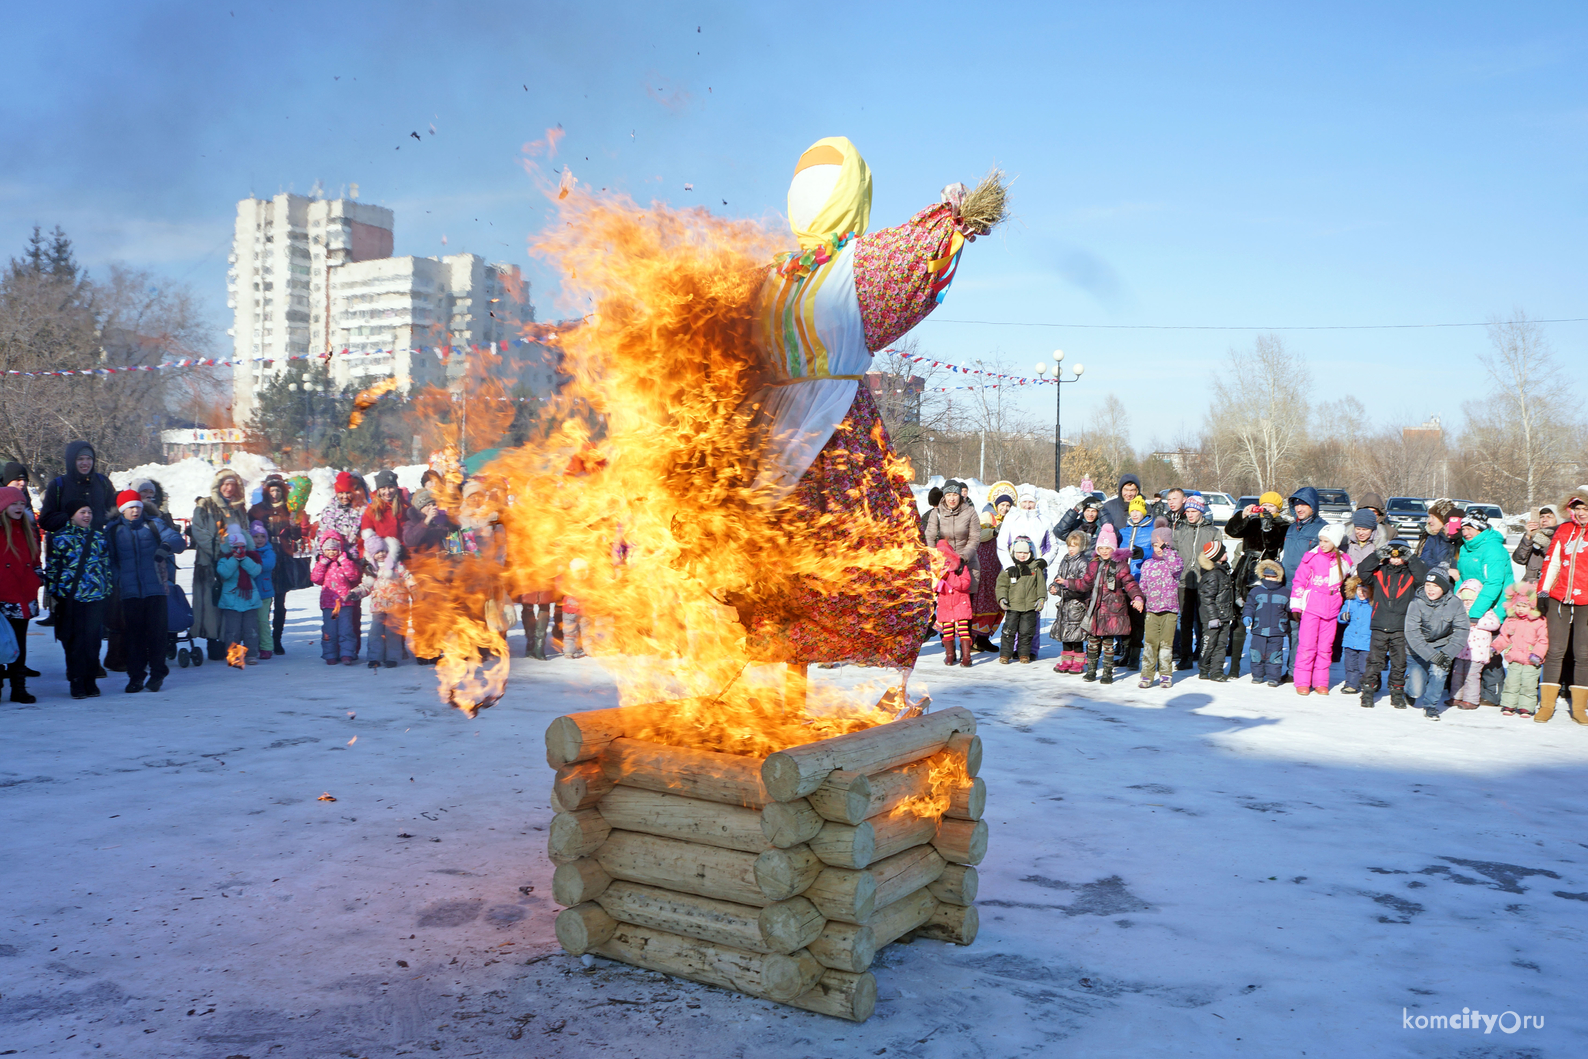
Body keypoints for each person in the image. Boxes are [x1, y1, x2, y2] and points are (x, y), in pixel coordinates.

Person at [104, 490, 186, 692]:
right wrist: (118, 579)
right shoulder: (113, 531)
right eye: (131, 507)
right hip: (129, 592)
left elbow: (178, 540)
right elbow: (110, 560)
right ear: (122, 509)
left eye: (138, 506)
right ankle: (136, 677)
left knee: (158, 635)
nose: (135, 510)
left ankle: (157, 674)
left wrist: (166, 546)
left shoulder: (153, 524)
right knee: (134, 637)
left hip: (155, 589)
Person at [1062, 524, 1144, 685]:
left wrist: (1137, 597)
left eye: (1108, 548)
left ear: (1113, 548)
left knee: (1108, 644)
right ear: (1097, 549)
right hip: (1095, 609)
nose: (1105, 551)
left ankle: (1107, 672)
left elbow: (1129, 583)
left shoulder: (1121, 566)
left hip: (1113, 611)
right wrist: (1068, 582)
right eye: (1102, 548)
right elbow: (1085, 583)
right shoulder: (1093, 565)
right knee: (1092, 642)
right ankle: (1092, 670)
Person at [1353, 539, 1428, 709]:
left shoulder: (1411, 574)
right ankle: (1368, 691)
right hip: (1380, 623)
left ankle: (1396, 692)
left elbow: (1424, 578)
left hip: (1401, 626)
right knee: (1374, 661)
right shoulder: (1379, 572)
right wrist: (1377, 555)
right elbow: (1362, 571)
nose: (1395, 559)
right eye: (1391, 555)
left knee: (1399, 662)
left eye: (1400, 555)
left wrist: (1412, 559)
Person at [47, 503, 112, 698]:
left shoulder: (99, 538)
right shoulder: (60, 538)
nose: (87, 516)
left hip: (95, 598)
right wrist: (55, 594)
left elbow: (106, 565)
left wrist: (106, 589)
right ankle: (76, 681)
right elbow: (52, 568)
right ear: (72, 515)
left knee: (93, 642)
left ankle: (90, 681)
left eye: (90, 512)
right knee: (75, 642)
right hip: (71, 598)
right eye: (82, 512)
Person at [1453, 507, 1514, 708]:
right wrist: (1455, 602)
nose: (1466, 532)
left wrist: (1476, 613)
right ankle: (1463, 693)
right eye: (1463, 528)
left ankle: (1492, 693)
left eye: (1470, 528)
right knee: (1467, 650)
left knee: (1489, 651)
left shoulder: (1493, 549)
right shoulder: (1465, 547)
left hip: (1494, 604)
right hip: (1471, 603)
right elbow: (1462, 578)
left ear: (1480, 528)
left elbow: (1494, 583)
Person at [1538, 488, 1588, 723]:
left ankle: (1579, 708)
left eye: (1585, 508)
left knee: (1583, 653)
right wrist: (1544, 591)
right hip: (1559, 598)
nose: (1581, 513)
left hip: (1586, 601)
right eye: (1577, 508)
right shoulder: (1564, 530)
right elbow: (1553, 561)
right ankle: (1546, 705)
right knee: (1555, 650)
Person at [191, 469, 252, 661]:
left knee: (231, 605)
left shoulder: (239, 508)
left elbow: (246, 533)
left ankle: (231, 646)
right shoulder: (205, 505)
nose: (229, 488)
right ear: (218, 485)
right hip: (208, 563)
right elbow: (198, 530)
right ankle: (213, 643)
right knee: (211, 604)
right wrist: (218, 549)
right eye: (225, 484)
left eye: (232, 484)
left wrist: (238, 553)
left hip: (233, 564)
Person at [1288, 524, 1352, 695]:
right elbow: (1299, 581)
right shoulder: (1312, 557)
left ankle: (1321, 682)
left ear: (1336, 542)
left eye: (1326, 541)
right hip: (1312, 605)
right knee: (1307, 646)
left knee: (1325, 647)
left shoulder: (1345, 561)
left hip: (1332, 608)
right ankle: (1302, 681)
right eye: (1321, 540)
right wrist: (1296, 604)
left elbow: (1352, 579)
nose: (1322, 544)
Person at [1404, 568, 1470, 720]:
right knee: (1416, 691)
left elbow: (1462, 630)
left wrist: (1446, 653)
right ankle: (1408, 686)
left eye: (1435, 586)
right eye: (1428, 585)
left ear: (1444, 587)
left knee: (1439, 671)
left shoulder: (1455, 603)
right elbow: (1412, 634)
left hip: (1442, 645)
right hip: (1417, 649)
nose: (1430, 589)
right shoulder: (1416, 603)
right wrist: (1432, 655)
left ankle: (1430, 706)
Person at [249, 474, 304, 653]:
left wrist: (296, 523)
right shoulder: (256, 510)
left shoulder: (289, 509)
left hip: (282, 559)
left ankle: (276, 639)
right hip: (262, 558)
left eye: (278, 490)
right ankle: (260, 639)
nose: (275, 494)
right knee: (262, 601)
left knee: (280, 602)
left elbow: (296, 536)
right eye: (272, 490)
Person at [0, 485, 42, 702]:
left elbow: (35, 559)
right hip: (2, 597)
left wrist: (37, 578)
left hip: (23, 595)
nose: (18, 507)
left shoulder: (27, 529)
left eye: (21, 504)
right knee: (0, 643)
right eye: (14, 503)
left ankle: (19, 688)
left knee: (19, 644)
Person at [1280, 487, 1326, 681]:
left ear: (1313, 506)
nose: (1299, 508)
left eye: (1304, 504)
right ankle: (1293, 668)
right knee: (1290, 629)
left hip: (1309, 588)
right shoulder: (1292, 527)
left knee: (1304, 632)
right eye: (1296, 504)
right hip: (1288, 585)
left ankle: (1299, 671)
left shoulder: (1322, 528)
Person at [1172, 495, 1220, 671]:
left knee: (1202, 620)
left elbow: (1218, 555)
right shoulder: (1180, 530)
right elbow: (1174, 552)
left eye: (1193, 511)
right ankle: (1185, 656)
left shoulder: (1212, 531)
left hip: (1204, 581)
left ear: (1201, 511)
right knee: (1185, 620)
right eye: (1188, 511)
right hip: (1184, 580)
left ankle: (1203, 654)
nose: (1190, 515)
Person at [1134, 525, 1183, 689]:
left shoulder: (1174, 561)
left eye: (1163, 545)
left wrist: (1167, 550)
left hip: (1170, 610)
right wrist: (1139, 599)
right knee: (1150, 643)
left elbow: (1177, 568)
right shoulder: (1148, 564)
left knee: (1166, 644)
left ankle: (1165, 675)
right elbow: (1143, 586)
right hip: (1152, 610)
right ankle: (1147, 675)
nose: (1159, 549)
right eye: (1156, 545)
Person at [1492, 583, 1547, 718]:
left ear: (1532, 606)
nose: (1521, 609)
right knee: (1511, 682)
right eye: (1518, 606)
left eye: (1524, 606)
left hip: (1531, 659)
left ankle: (1526, 707)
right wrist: (1495, 647)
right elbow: (1504, 637)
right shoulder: (1511, 620)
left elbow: (1543, 640)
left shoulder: (1539, 622)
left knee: (1529, 684)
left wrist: (1538, 654)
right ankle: (1509, 704)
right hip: (1514, 658)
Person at [38, 441, 115, 532]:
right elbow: (45, 521)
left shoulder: (103, 482)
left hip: (97, 542)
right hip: (66, 543)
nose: (85, 463)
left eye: (89, 458)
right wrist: (72, 519)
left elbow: (113, 513)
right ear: (71, 461)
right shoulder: (57, 485)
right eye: (80, 459)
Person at [311, 531, 362, 665]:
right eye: (328, 550)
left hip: (345, 602)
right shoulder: (323, 564)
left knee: (346, 630)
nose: (332, 552)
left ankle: (347, 653)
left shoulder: (344, 561)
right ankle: (330, 654)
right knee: (330, 630)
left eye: (334, 549)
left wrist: (344, 561)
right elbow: (315, 578)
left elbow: (353, 576)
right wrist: (322, 563)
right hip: (329, 604)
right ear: (323, 550)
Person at [1448, 580, 1501, 711]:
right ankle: (1456, 696)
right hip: (1461, 650)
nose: (1467, 603)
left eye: (1470, 600)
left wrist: (1477, 621)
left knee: (1472, 676)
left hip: (1477, 651)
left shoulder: (1485, 612)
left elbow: (1495, 624)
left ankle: (1471, 699)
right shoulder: (1459, 612)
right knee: (1457, 674)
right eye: (1464, 600)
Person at [995, 536, 1047, 664]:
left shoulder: (1035, 568)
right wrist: (1002, 599)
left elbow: (1041, 585)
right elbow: (1001, 585)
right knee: (1008, 632)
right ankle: (1005, 654)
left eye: (1025, 553)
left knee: (1026, 632)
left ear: (1030, 553)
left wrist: (1041, 599)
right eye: (1019, 552)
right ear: (1014, 553)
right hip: (1013, 606)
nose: (1022, 555)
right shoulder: (1010, 568)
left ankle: (1024, 654)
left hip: (1030, 606)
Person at [215, 528, 264, 665]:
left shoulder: (251, 558)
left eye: (242, 547)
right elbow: (224, 573)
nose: (239, 549)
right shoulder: (225, 560)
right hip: (231, 601)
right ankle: (234, 656)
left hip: (250, 600)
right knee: (232, 631)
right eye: (236, 547)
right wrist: (235, 560)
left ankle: (251, 654)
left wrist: (244, 559)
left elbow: (256, 571)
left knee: (251, 630)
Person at [363, 536, 411, 668]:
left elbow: (407, 576)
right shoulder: (371, 569)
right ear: (372, 555)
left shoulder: (396, 565)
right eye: (377, 552)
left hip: (396, 604)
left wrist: (414, 587)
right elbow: (366, 586)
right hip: (378, 606)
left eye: (383, 551)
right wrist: (354, 593)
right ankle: (375, 657)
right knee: (375, 632)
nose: (381, 554)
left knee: (392, 632)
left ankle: (392, 657)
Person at [1048, 531, 1091, 674]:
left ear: (1081, 546)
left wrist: (1062, 590)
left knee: (1076, 635)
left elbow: (1081, 586)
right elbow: (1058, 577)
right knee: (1065, 633)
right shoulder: (1065, 560)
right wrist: (1054, 587)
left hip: (1077, 604)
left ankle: (1078, 661)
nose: (1071, 549)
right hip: (1065, 604)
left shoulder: (1083, 562)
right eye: (1069, 546)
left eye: (1075, 546)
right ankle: (1066, 660)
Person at [1243, 560, 1291, 686]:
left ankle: (1273, 677)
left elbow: (1290, 608)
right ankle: (1257, 675)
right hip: (1259, 629)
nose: (1270, 579)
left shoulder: (1285, 592)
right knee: (1256, 653)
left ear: (1279, 577)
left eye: (1273, 577)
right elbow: (1249, 606)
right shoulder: (1255, 592)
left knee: (1274, 655)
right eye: (1267, 576)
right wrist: (1247, 615)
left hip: (1277, 630)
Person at [1196, 539, 1236, 681]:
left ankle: (1216, 671)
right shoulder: (1213, 574)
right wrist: (1213, 617)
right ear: (1217, 556)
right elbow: (1207, 598)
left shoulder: (1224, 571)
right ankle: (1204, 668)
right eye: (1224, 551)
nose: (1226, 553)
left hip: (1224, 615)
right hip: (1212, 618)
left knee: (1221, 645)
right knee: (1209, 643)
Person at [933, 539, 974, 667]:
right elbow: (933, 588)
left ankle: (967, 657)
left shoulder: (961, 568)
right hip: (945, 605)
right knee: (947, 631)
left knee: (964, 630)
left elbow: (964, 584)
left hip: (960, 603)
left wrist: (948, 577)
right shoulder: (936, 572)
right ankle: (950, 655)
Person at [1337, 575, 1373, 695]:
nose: (1361, 593)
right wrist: (1343, 616)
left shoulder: (1372, 606)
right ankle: (1351, 684)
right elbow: (1341, 618)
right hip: (1350, 640)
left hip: (1366, 641)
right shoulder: (1349, 603)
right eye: (1359, 590)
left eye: (1365, 591)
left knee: (1364, 666)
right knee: (1350, 664)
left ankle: (1365, 684)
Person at [248, 521, 277, 660]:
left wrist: (252, 561)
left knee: (262, 621)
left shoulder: (268, 552)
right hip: (248, 592)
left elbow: (268, 565)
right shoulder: (247, 551)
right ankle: (253, 646)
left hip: (264, 593)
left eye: (262, 536)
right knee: (250, 622)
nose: (259, 539)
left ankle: (266, 646)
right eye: (256, 536)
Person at [1512, 505, 1558, 584]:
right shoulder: (1534, 535)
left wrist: (1545, 543)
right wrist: (1528, 536)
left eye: (1549, 517)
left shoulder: (1563, 536)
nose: (1544, 520)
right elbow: (1519, 559)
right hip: (1529, 585)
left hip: (1549, 585)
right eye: (1541, 516)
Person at [1414, 499, 1461, 570]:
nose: (1429, 521)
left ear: (1444, 519)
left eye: (1433, 517)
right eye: (1429, 517)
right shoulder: (1430, 538)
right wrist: (1443, 567)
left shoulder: (1461, 539)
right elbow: (1425, 560)